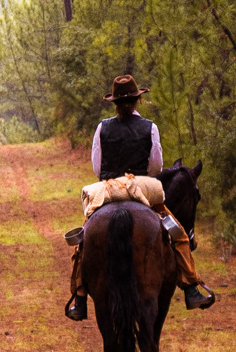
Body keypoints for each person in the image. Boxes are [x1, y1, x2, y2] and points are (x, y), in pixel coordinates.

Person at [64, 75, 212, 321]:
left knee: (84, 238)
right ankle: (190, 286)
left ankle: (79, 297)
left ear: (114, 103)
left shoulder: (102, 127)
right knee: (177, 233)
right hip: (143, 185)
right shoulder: (150, 127)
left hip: (108, 187)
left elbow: (97, 168)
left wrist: (115, 179)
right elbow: (156, 166)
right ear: (138, 101)